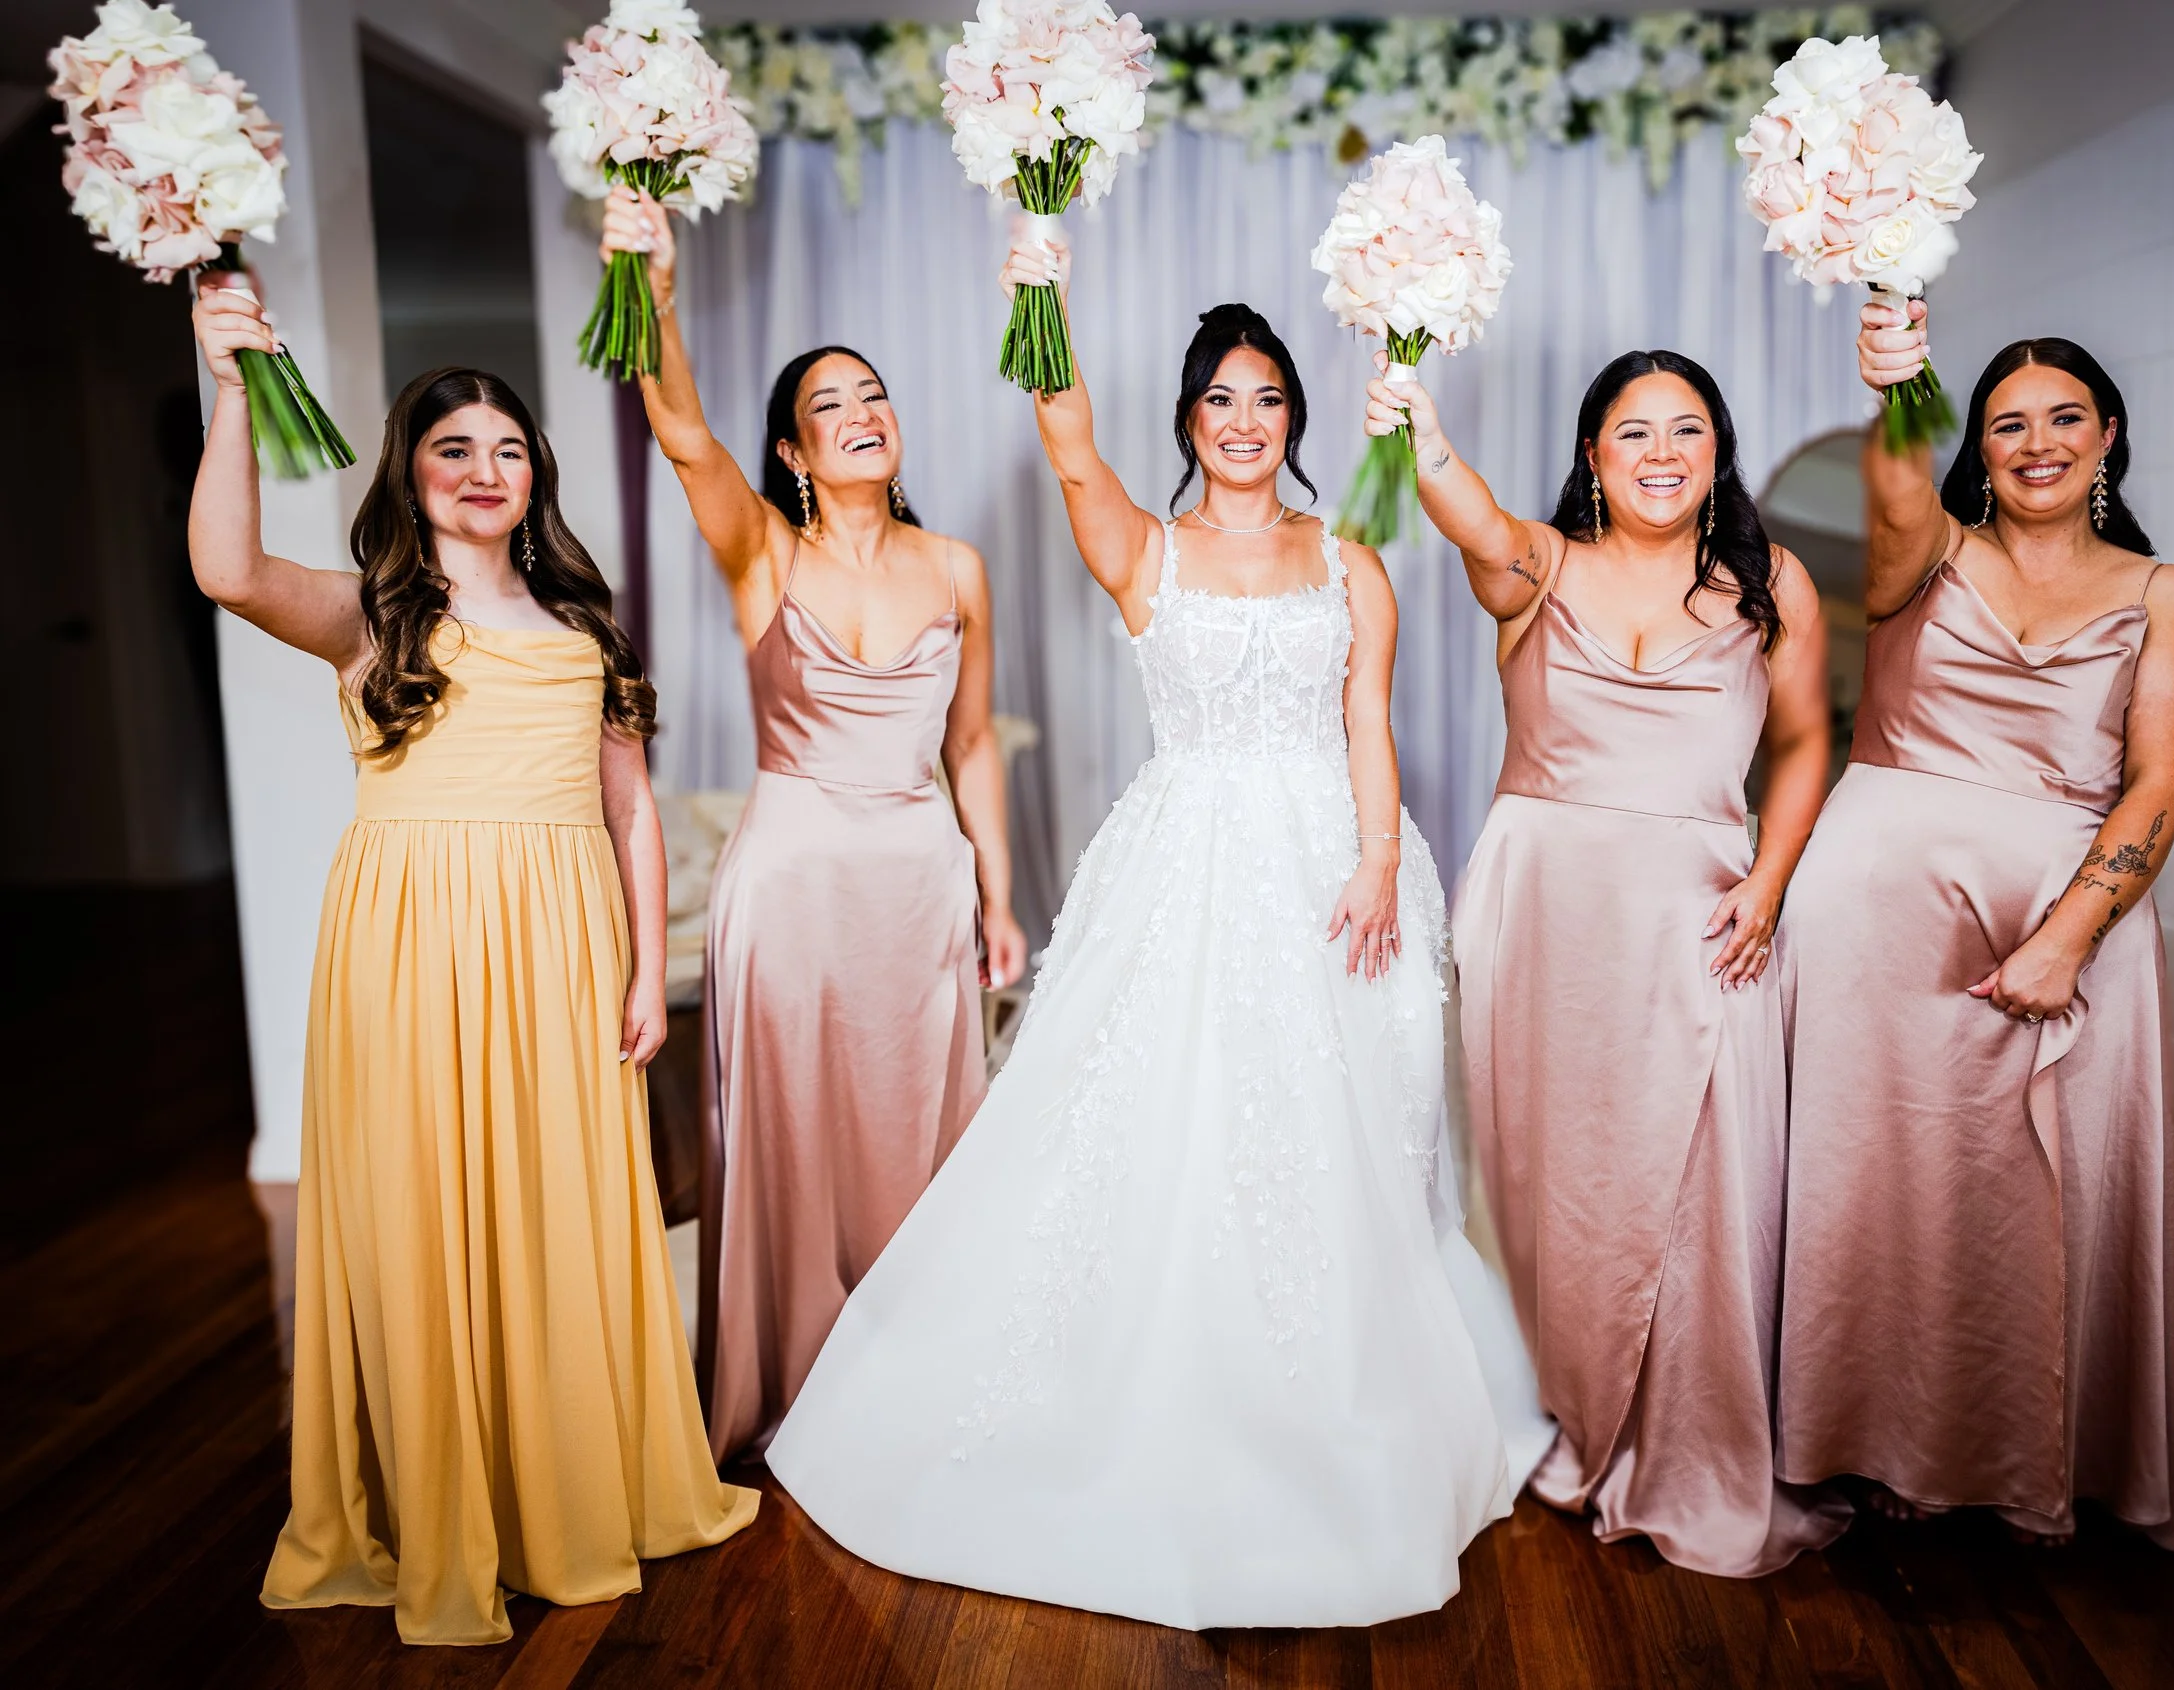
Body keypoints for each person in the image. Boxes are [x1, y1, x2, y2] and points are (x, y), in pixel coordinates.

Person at [764, 232, 1553, 1631]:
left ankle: (1340, 1403)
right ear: (1188, 420)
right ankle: (1163, 1400)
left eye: (1266, 398)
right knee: (1165, 1131)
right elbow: (1062, 436)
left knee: (1343, 1141)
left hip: (1334, 864)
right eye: (1219, 401)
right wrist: (1039, 273)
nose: (1244, 423)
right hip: (1185, 865)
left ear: (1295, 417)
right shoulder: (1143, 549)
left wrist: (1377, 862)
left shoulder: (1351, 556)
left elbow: (1367, 721)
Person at [186, 285, 755, 1646]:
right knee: (425, 1210)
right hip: (408, 941)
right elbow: (223, 568)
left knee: (556, 1204)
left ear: (535, 481)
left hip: (556, 942)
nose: (487, 470)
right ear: (411, 473)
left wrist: (634, 972)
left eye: (510, 450)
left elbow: (628, 812)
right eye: (456, 449)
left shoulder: (583, 632)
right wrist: (226, 386)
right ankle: (443, 1500)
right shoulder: (372, 616)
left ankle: (567, 1481)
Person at [1376, 349, 1847, 1574]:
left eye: (1684, 430)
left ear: (1717, 451)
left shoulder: (1771, 583)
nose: (1658, 454)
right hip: (1542, 915)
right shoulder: (1537, 565)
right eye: (1631, 433)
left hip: (1699, 914)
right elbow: (1463, 509)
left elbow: (1801, 743)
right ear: (1592, 455)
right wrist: (1418, 416)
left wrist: (1770, 876)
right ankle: (1563, 1414)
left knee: (1701, 1189)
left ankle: (1690, 1445)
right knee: (1547, 1187)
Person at [1776, 300, 2174, 1551]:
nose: (2035, 443)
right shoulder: (1929, 552)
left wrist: (2066, 937)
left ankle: (2042, 1457)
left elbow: (2163, 784)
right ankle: (1868, 1446)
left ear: (2107, 435)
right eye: (2005, 423)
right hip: (1877, 929)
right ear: (1972, 443)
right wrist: (1896, 385)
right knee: (1878, 1187)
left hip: (2063, 924)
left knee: (2042, 1196)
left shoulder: (2159, 593)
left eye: (2062, 418)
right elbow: (1896, 487)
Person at [599, 188, 1026, 1464]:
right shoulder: (762, 557)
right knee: (790, 1140)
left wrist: (996, 895)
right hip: (791, 884)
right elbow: (678, 431)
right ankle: (788, 1384)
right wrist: (658, 292)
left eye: (873, 395)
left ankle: (919, 1377)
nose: (858, 416)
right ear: (791, 448)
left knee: (918, 1131)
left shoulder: (956, 566)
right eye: (827, 406)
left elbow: (968, 745)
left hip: (917, 876)